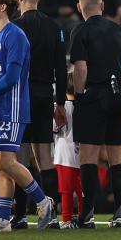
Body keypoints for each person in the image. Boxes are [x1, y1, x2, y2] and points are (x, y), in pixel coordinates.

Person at [0, 0, 55, 231]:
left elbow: (12, 76)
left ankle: (43, 201)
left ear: (3, 7)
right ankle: (2, 220)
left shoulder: (15, 36)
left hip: (11, 109)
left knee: (6, 161)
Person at [69, 0, 121, 228]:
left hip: (94, 95)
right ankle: (119, 214)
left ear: (79, 8)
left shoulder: (80, 30)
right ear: (102, 6)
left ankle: (87, 215)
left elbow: (81, 68)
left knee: (89, 156)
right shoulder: (119, 30)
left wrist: (79, 94)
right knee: (117, 157)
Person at [11, 0, 67, 228]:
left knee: (21, 157)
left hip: (21, 96)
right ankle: (51, 214)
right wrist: (61, 102)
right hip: (45, 94)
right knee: (45, 156)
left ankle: (20, 214)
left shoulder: (14, 28)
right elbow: (62, 69)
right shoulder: (54, 27)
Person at [55, 69, 82, 229]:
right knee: (81, 188)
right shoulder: (84, 107)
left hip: (63, 151)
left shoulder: (59, 107)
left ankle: (66, 219)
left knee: (66, 188)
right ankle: (84, 217)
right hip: (81, 151)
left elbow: (55, 128)